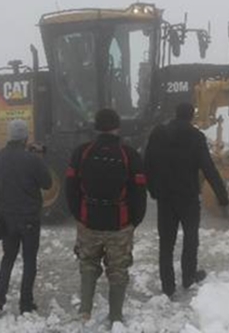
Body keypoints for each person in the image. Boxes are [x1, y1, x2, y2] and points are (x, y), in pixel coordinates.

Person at [65, 108, 147, 325]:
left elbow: (70, 188)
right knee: (118, 270)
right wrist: (134, 221)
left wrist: (79, 215)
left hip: (88, 220)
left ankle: (85, 310)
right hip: (119, 223)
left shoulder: (81, 152)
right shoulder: (129, 155)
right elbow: (139, 192)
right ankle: (116, 316)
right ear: (117, 127)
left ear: (96, 127)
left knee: (88, 263)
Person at [144, 102, 229, 298]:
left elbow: (147, 163)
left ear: (175, 113)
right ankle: (188, 277)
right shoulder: (196, 137)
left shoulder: (159, 133)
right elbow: (208, 168)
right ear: (191, 116)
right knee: (191, 238)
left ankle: (168, 286)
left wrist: (153, 190)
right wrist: (222, 196)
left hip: (165, 197)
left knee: (166, 243)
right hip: (188, 198)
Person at [0, 119, 52, 314]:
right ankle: (26, 303)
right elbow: (47, 183)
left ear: (10, 136)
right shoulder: (32, 159)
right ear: (25, 137)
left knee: (7, 259)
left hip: (7, 218)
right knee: (29, 260)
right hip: (29, 219)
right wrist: (39, 158)